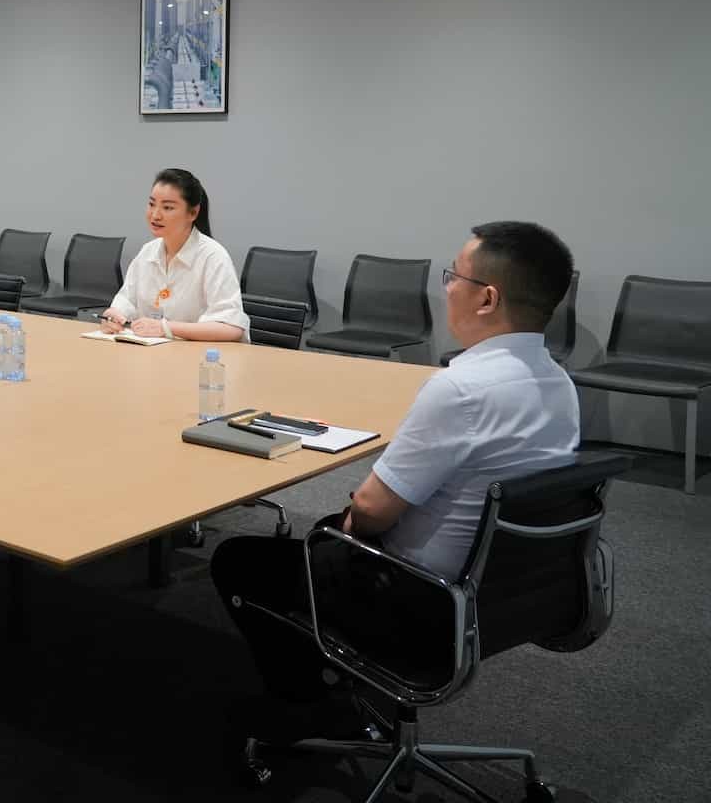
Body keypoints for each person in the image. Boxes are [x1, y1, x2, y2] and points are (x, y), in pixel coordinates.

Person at [210, 221, 580, 721]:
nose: (447, 288)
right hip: (507, 591)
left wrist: (343, 528)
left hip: (418, 598)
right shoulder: (559, 384)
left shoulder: (461, 390)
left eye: (455, 276)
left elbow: (370, 511)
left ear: (487, 298)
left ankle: (312, 707)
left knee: (240, 560)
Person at [99, 168, 248, 342]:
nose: (155, 215)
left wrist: (166, 328)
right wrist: (113, 316)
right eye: (152, 204)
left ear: (193, 213)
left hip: (197, 353)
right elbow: (126, 301)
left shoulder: (213, 257)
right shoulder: (147, 252)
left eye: (167, 207)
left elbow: (231, 327)